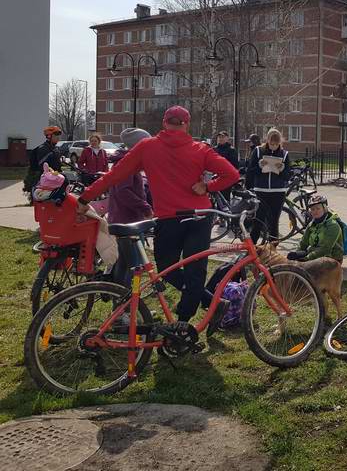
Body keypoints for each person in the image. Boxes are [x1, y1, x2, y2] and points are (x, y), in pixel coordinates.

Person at [76, 106, 240, 331]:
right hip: (199, 217)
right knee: (194, 271)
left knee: (166, 268)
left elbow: (114, 175)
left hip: (169, 219)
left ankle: (187, 321)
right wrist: (208, 187)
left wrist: (85, 198)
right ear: (186, 125)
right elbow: (232, 174)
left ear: (164, 123)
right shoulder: (200, 149)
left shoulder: (147, 147)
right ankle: (193, 315)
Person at [107, 128, 154, 286]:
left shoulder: (127, 161)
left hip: (123, 218)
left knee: (124, 263)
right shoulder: (127, 163)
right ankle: (129, 304)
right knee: (135, 265)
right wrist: (145, 208)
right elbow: (124, 192)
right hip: (127, 221)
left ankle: (120, 299)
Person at [245, 128, 291, 244]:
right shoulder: (258, 151)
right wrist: (260, 167)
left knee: (274, 221)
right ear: (267, 141)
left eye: (276, 144)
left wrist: (281, 169)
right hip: (261, 190)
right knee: (258, 220)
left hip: (278, 191)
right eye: (271, 144)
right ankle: (251, 248)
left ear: (280, 142)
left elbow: (287, 176)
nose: (273, 147)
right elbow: (250, 170)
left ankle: (272, 249)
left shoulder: (284, 154)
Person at [287, 194, 344, 262]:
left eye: (318, 208)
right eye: (312, 209)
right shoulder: (311, 224)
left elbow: (325, 249)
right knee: (291, 258)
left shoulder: (333, 225)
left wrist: (307, 258)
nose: (315, 211)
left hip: (332, 258)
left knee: (304, 270)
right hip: (315, 255)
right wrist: (297, 254)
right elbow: (303, 243)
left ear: (324, 208)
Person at [24, 126, 63, 195]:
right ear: (49, 136)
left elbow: (57, 163)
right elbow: (43, 166)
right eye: (56, 135)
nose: (58, 137)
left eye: (59, 135)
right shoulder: (43, 149)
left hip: (57, 176)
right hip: (48, 180)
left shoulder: (56, 149)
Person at [214, 131, 240, 200]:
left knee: (224, 198)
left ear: (227, 138)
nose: (220, 139)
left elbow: (235, 165)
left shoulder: (231, 150)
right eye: (219, 137)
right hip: (214, 177)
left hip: (226, 177)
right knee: (214, 198)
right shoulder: (214, 149)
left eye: (222, 137)